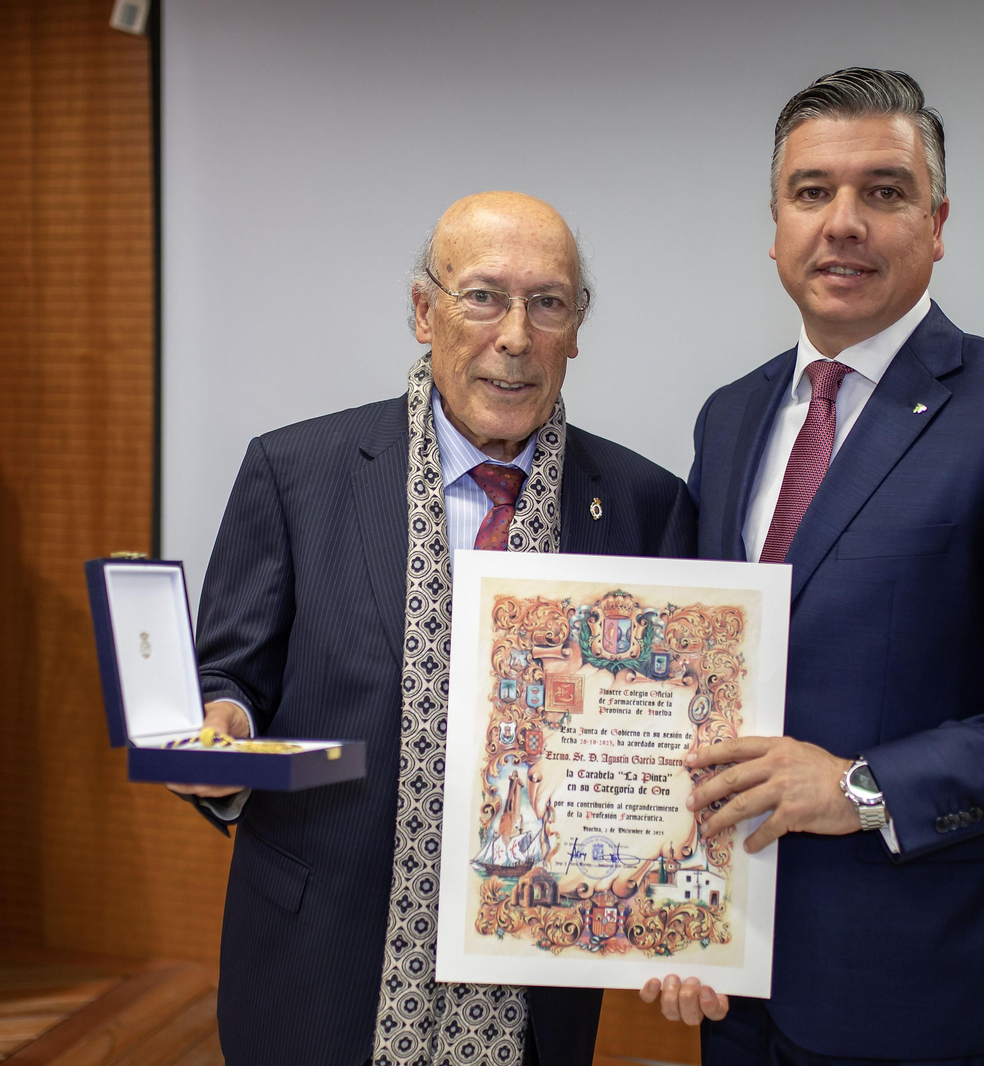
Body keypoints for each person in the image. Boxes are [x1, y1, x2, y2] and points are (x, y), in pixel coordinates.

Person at [643, 69, 984, 1065]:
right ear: (774, 225)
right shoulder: (731, 415)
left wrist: (863, 787)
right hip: (734, 986)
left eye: (882, 191)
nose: (843, 222)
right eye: (811, 192)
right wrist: (671, 909)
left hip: (926, 997)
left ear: (935, 223)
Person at [171, 191, 695, 1066]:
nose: (516, 337)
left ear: (577, 326)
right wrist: (221, 728)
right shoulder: (297, 474)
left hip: (539, 983)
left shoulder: (643, 505)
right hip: (317, 958)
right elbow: (227, 681)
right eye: (483, 296)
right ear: (425, 312)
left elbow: (670, 742)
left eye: (549, 303)